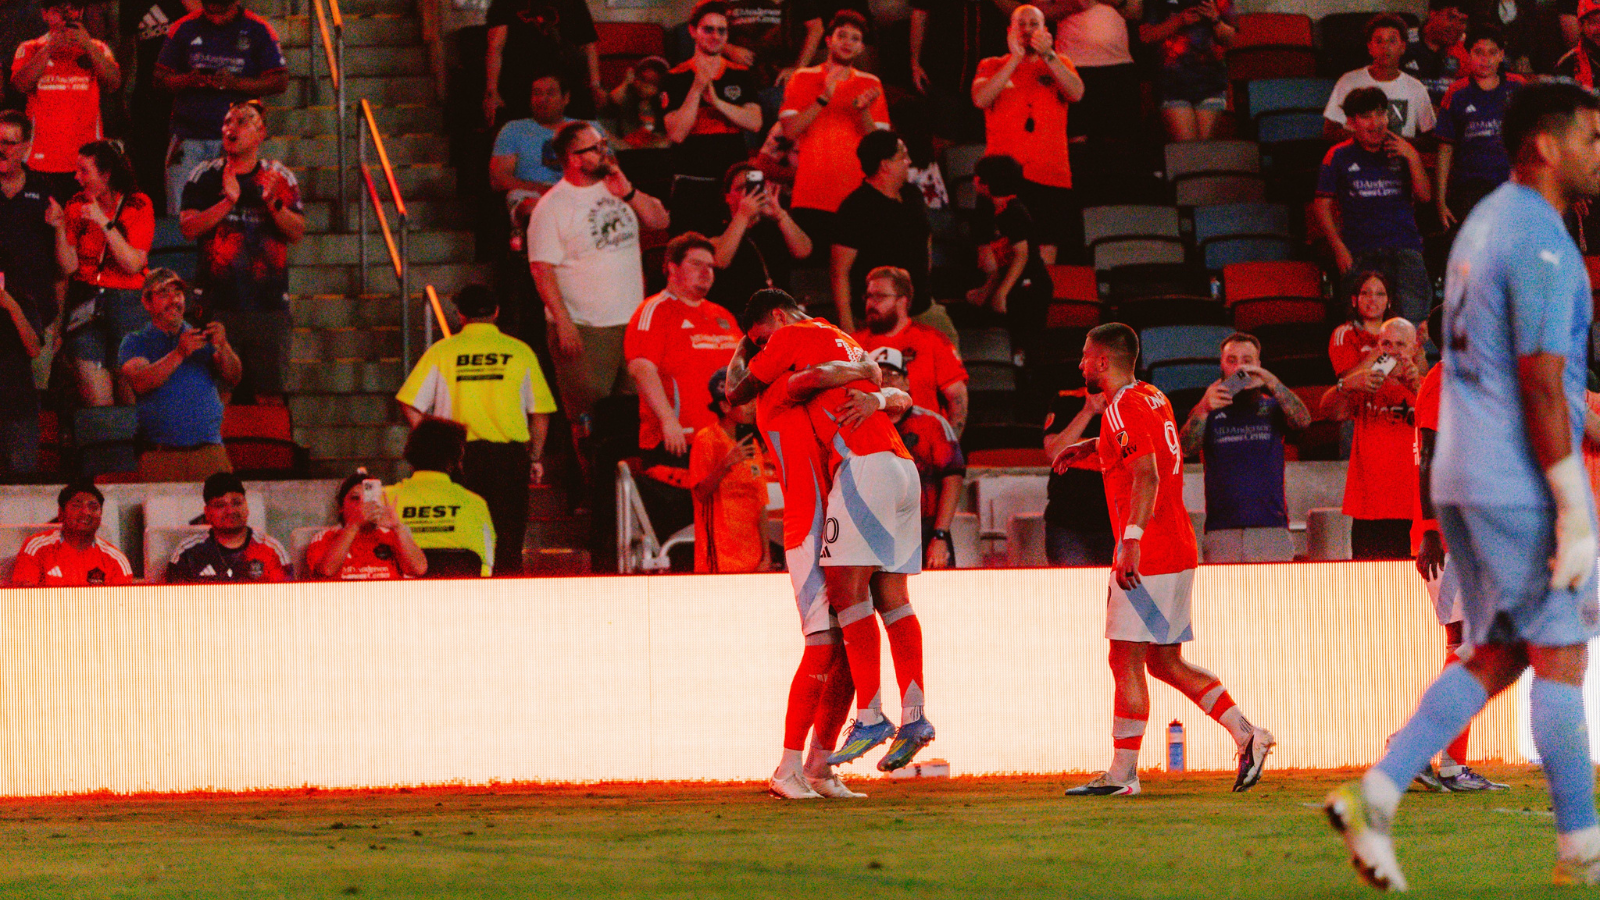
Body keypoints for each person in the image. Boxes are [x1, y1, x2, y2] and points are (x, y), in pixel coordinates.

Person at [1325, 81, 1600, 891]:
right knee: (1560, 654)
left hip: (1466, 473)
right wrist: (1572, 500)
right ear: (1546, 146)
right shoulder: (1544, 243)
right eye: (1590, 135)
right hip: (1510, 475)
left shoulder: (1488, 226)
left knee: (1499, 653)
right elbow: (1541, 383)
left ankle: (1376, 793)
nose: (1598, 150)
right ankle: (1582, 845)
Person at [1054, 323, 1274, 797]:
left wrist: (1129, 541)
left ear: (1102, 362)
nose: (1079, 365)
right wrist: (1090, 450)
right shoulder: (1151, 396)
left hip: (1148, 551)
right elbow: (1145, 451)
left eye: (1085, 357)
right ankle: (1247, 734)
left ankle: (1122, 774)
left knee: (1125, 658)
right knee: (1164, 661)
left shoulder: (1118, 408)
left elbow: (1147, 475)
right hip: (1177, 546)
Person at [729, 288, 935, 775]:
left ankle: (864, 723)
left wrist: (870, 383)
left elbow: (757, 385)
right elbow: (893, 393)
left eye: (765, 342)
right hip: (899, 472)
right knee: (888, 598)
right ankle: (911, 718)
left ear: (777, 320)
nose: (766, 354)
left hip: (858, 476)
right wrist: (871, 378)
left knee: (845, 604)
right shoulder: (840, 341)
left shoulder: (795, 342)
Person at [527, 120, 669, 481]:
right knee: (589, 417)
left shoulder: (616, 187)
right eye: (595, 147)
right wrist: (563, 323)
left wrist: (630, 192)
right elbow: (542, 271)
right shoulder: (552, 207)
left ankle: (632, 489)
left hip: (633, 324)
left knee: (634, 413)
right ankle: (592, 490)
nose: (605, 151)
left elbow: (660, 220)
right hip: (587, 328)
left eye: (604, 143)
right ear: (573, 159)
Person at [1409, 307, 1511, 792]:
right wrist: (1430, 526)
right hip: (1448, 534)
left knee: (1468, 646)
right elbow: (1428, 454)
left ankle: (1439, 757)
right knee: (1472, 647)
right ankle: (1427, 753)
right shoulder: (1443, 379)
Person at [395, 283, 556, 576]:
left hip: (458, 458)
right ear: (496, 312)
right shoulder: (519, 352)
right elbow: (541, 412)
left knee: (463, 537)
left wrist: (437, 443)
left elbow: (409, 403)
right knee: (508, 542)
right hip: (508, 460)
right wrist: (534, 456)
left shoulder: (442, 351)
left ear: (459, 315)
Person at [179, 98, 303, 405]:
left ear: (261, 134)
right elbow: (188, 228)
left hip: (268, 303)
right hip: (217, 303)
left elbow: (297, 232)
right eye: (227, 122)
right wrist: (227, 203)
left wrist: (273, 203)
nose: (231, 127)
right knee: (216, 393)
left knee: (270, 395)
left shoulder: (278, 176)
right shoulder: (204, 175)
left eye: (242, 121)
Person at [622, 232, 742, 552]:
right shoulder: (655, 310)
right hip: (676, 444)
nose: (706, 272)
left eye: (711, 267)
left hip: (724, 442)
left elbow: (742, 375)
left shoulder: (723, 316)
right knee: (686, 539)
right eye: (696, 264)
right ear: (671, 268)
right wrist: (666, 420)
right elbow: (641, 368)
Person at [1178, 332, 1312, 563]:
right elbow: (1185, 449)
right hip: (1221, 529)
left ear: (1259, 365)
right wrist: (1203, 408)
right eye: (1232, 361)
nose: (1240, 368)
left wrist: (1272, 382)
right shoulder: (1209, 407)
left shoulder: (1272, 405)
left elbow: (1303, 421)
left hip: (1270, 527)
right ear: (1221, 365)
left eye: (1247, 361)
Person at [972, 4, 1083, 264]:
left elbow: (1076, 93)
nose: (1027, 30)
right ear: (1009, 31)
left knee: (1045, 254)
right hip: (1000, 178)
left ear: (1046, 31)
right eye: (1021, 24)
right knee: (992, 255)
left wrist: (1049, 56)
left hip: (1050, 174)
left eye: (1034, 24)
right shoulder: (991, 65)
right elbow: (980, 98)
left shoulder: (1060, 63)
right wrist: (1014, 59)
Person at [153, 0, 287, 217]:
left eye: (222, 10)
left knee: (237, 213)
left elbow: (280, 80)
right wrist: (188, 79)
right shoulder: (184, 27)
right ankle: (182, 251)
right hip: (188, 136)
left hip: (238, 140)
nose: (216, 17)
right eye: (210, 9)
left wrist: (235, 83)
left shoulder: (258, 28)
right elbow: (159, 79)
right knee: (180, 213)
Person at [1313, 86, 1432, 323]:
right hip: (1359, 250)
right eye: (1366, 117)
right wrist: (1339, 248)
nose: (1376, 123)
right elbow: (1321, 206)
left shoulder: (1403, 150)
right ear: (1350, 122)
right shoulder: (1337, 155)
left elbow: (1425, 197)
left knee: (1413, 325)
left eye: (1381, 114)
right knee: (1364, 326)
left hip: (1404, 246)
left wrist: (1414, 158)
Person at [51, 139, 155, 407]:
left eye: (84, 171)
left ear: (106, 174)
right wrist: (60, 228)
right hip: (86, 301)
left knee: (131, 395)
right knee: (98, 398)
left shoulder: (138, 204)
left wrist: (103, 221)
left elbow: (133, 263)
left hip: (128, 301)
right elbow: (69, 267)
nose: (77, 177)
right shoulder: (75, 205)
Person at [118, 268, 240, 482]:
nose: (173, 300)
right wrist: (179, 353)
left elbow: (233, 377)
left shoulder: (202, 336)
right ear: (147, 303)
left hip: (210, 452)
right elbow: (140, 382)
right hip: (160, 456)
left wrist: (224, 346)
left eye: (178, 293)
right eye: (164, 293)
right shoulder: (135, 341)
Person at [779, 10, 888, 244]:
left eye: (855, 38)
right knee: (808, 274)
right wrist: (823, 98)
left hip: (857, 199)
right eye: (842, 35)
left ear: (861, 47)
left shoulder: (871, 83)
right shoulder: (802, 77)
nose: (848, 42)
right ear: (829, 41)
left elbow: (881, 147)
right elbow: (789, 132)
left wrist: (864, 111)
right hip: (810, 196)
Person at [1321, 316, 1423, 560]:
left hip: (1415, 509)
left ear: (1415, 347)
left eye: (1401, 345)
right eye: (1386, 344)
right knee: (1370, 591)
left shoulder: (1428, 387)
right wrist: (1346, 385)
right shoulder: (1367, 384)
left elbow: (1449, 430)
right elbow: (1329, 412)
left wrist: (1417, 388)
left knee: (1414, 593)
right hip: (1369, 510)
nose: (1394, 352)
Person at [9, 0, 117, 199]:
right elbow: (20, 86)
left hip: (87, 162)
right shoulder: (30, 47)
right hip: (39, 160)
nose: (66, 17)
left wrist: (87, 46)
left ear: (81, 12)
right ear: (44, 14)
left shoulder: (98, 48)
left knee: (83, 224)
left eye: (73, 10)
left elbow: (114, 83)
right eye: (58, 11)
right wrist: (49, 49)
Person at [831, 129, 931, 333]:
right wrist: (847, 327)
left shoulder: (913, 195)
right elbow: (839, 273)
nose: (909, 161)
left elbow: (926, 240)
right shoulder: (855, 208)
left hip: (922, 308)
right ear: (885, 165)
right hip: (878, 316)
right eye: (903, 156)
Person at [874, 347, 964, 570]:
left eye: (892, 375)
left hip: (925, 528)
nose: (885, 382)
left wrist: (940, 535)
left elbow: (952, 479)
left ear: (906, 383)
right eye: (879, 377)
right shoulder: (858, 426)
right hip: (875, 530)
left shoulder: (932, 424)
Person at [852, 265, 967, 434]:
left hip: (921, 445)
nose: (871, 303)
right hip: (868, 445)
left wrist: (950, 445)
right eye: (869, 296)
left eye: (880, 297)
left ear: (903, 300)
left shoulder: (932, 341)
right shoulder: (852, 344)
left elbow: (957, 398)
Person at [662, 0, 762, 181]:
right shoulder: (674, 77)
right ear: (693, 31)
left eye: (721, 30)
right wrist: (697, 87)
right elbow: (676, 134)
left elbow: (755, 122)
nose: (715, 36)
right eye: (708, 29)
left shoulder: (740, 73)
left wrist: (718, 103)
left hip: (733, 174)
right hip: (690, 172)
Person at [964, 153, 1053, 357]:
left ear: (985, 183)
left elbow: (1022, 255)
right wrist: (987, 290)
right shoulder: (995, 213)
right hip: (1016, 285)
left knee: (1026, 346)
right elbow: (1003, 260)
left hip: (1031, 286)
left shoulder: (1013, 212)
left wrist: (1002, 292)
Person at [0, 109, 48, 475]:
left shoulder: (45, 191)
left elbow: (64, 269)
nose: (1, 149)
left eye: (9, 142)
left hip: (32, 311)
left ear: (26, 147)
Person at [1054, 0, 1143, 199]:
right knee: (1076, 145)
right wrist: (1074, 5)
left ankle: (1116, 211)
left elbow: (1136, 12)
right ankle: (1080, 209)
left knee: (1118, 146)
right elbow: (1040, 10)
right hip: (1072, 67)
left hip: (1118, 66)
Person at [1434, 27, 1520, 231]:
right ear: (1468, 54)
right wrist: (1440, 200)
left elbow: (1535, 137)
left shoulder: (1518, 87)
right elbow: (1445, 149)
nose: (1485, 59)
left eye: (1492, 52)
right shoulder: (1456, 93)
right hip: (1471, 186)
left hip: (1513, 183)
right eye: (1478, 52)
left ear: (1501, 55)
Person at [387, 417, 496, 578]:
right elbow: (486, 566)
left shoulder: (385, 499)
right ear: (458, 456)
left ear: (411, 452)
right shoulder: (475, 503)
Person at [688, 367, 770, 574]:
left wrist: (766, 556)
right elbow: (700, 493)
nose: (753, 406)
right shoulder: (706, 440)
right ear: (724, 406)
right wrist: (725, 465)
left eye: (753, 399)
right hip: (718, 561)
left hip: (754, 562)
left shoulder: (752, 444)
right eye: (745, 401)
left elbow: (760, 504)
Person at [708, 160, 812, 319]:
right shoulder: (718, 229)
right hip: (739, 314)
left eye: (753, 186)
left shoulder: (776, 226)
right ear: (728, 197)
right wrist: (743, 215)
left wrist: (779, 214)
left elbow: (804, 251)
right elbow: (720, 259)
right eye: (741, 188)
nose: (748, 193)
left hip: (781, 314)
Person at [483, 0, 601, 127]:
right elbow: (495, 46)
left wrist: (595, 85)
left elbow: (588, 44)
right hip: (524, 85)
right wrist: (492, 92)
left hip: (565, 83)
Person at [1324, 14, 1437, 141]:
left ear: (1403, 47)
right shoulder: (1349, 81)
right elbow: (1330, 131)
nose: (1385, 47)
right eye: (1379, 41)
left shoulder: (1416, 88)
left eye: (1392, 41)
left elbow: (1429, 136)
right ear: (1369, 47)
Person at [166, 471, 291, 583]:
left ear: (246, 507)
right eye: (220, 505)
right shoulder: (187, 554)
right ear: (207, 513)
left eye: (236, 503)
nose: (230, 511)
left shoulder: (271, 551)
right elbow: (173, 604)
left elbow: (288, 602)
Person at [305, 468, 429, 581]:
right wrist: (353, 526)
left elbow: (419, 569)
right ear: (341, 507)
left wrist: (398, 527)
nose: (362, 505)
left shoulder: (392, 535)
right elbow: (326, 571)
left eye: (368, 499)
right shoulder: (326, 536)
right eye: (355, 498)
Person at [491, 72, 577, 233]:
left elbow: (608, 167)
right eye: (537, 93)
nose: (542, 99)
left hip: (577, 192)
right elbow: (498, 178)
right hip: (532, 194)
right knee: (534, 209)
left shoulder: (583, 128)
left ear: (566, 98)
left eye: (550, 93)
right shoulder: (513, 129)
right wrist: (542, 189)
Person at [1139, 0, 1235, 142]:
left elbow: (1229, 39)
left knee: (1203, 149)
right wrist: (1179, 21)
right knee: (1186, 148)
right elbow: (1146, 36)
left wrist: (1215, 19)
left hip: (1210, 83)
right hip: (1171, 84)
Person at [10, 479, 132, 587]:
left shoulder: (116, 560)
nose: (86, 512)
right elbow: (24, 602)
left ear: (101, 515)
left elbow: (123, 608)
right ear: (61, 513)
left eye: (93, 507)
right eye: (76, 506)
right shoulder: (36, 548)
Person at [1042, 386, 1114, 565]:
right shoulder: (1066, 399)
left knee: (1118, 592)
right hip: (1067, 524)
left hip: (1117, 525)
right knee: (1072, 590)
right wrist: (1088, 411)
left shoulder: (1134, 404)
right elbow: (1054, 452)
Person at [1401, 0, 1470, 108]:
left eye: (1462, 21)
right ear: (1432, 14)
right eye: (1451, 18)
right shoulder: (1402, 44)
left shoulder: (1467, 50)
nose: (1456, 27)